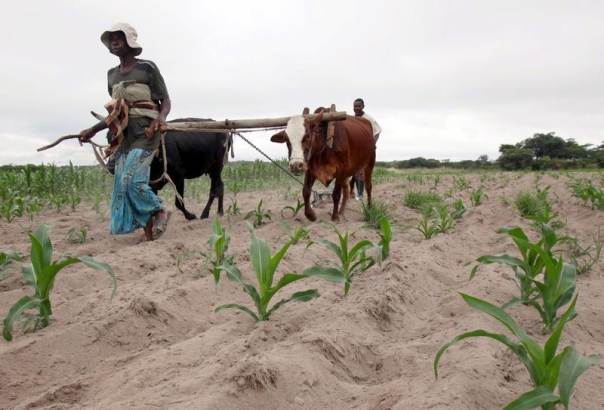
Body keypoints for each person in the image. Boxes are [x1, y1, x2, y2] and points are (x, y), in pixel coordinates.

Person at [79, 23, 171, 241]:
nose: (114, 41)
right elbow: (118, 111)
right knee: (121, 186)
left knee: (132, 181)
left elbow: (165, 101)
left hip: (145, 132)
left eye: (119, 37)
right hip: (122, 136)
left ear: (130, 41)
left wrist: (160, 119)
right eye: (111, 38)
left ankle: (159, 210)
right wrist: (93, 130)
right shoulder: (111, 75)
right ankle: (146, 225)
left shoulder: (147, 67)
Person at [352, 98, 381, 200]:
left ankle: (360, 194)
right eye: (355, 106)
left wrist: (372, 144)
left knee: (361, 172)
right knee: (353, 171)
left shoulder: (368, 119)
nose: (356, 108)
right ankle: (354, 192)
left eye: (358, 106)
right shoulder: (352, 119)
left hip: (365, 149)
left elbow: (377, 131)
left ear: (363, 106)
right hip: (354, 149)